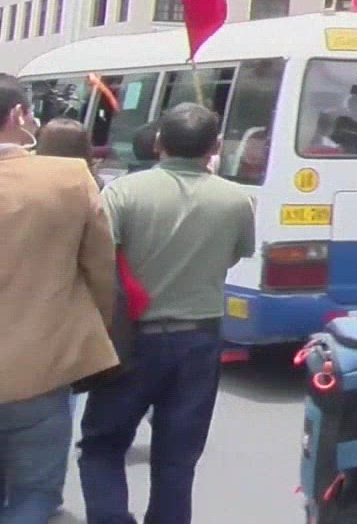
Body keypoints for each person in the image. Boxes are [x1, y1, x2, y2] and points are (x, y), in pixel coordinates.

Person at [79, 102, 257, 524]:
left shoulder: (123, 192)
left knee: (103, 446)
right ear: (215, 147)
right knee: (177, 459)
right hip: (199, 340)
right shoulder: (236, 199)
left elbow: (101, 258)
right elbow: (237, 254)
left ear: (158, 142)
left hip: (130, 338)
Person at [0, 74, 118, 523]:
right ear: (18, 115)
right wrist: (91, 337)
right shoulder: (68, 179)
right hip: (40, 370)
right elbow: (100, 272)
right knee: (34, 494)